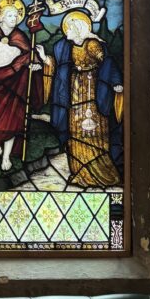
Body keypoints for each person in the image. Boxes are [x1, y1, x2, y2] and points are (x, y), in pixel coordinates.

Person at [50, 10, 123, 187]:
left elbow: (107, 61)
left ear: (79, 29)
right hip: (74, 93)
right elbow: (59, 65)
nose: (66, 30)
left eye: (70, 27)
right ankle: (80, 172)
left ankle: (101, 174)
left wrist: (115, 81)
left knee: (93, 131)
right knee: (75, 131)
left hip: (92, 92)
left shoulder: (92, 45)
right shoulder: (67, 47)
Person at [0, 0, 46, 170]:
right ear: (0, 17)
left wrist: (34, 63)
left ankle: (6, 156)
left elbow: (29, 56)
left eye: (16, 16)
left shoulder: (20, 36)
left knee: (11, 121)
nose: (13, 19)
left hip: (14, 84)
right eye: (9, 15)